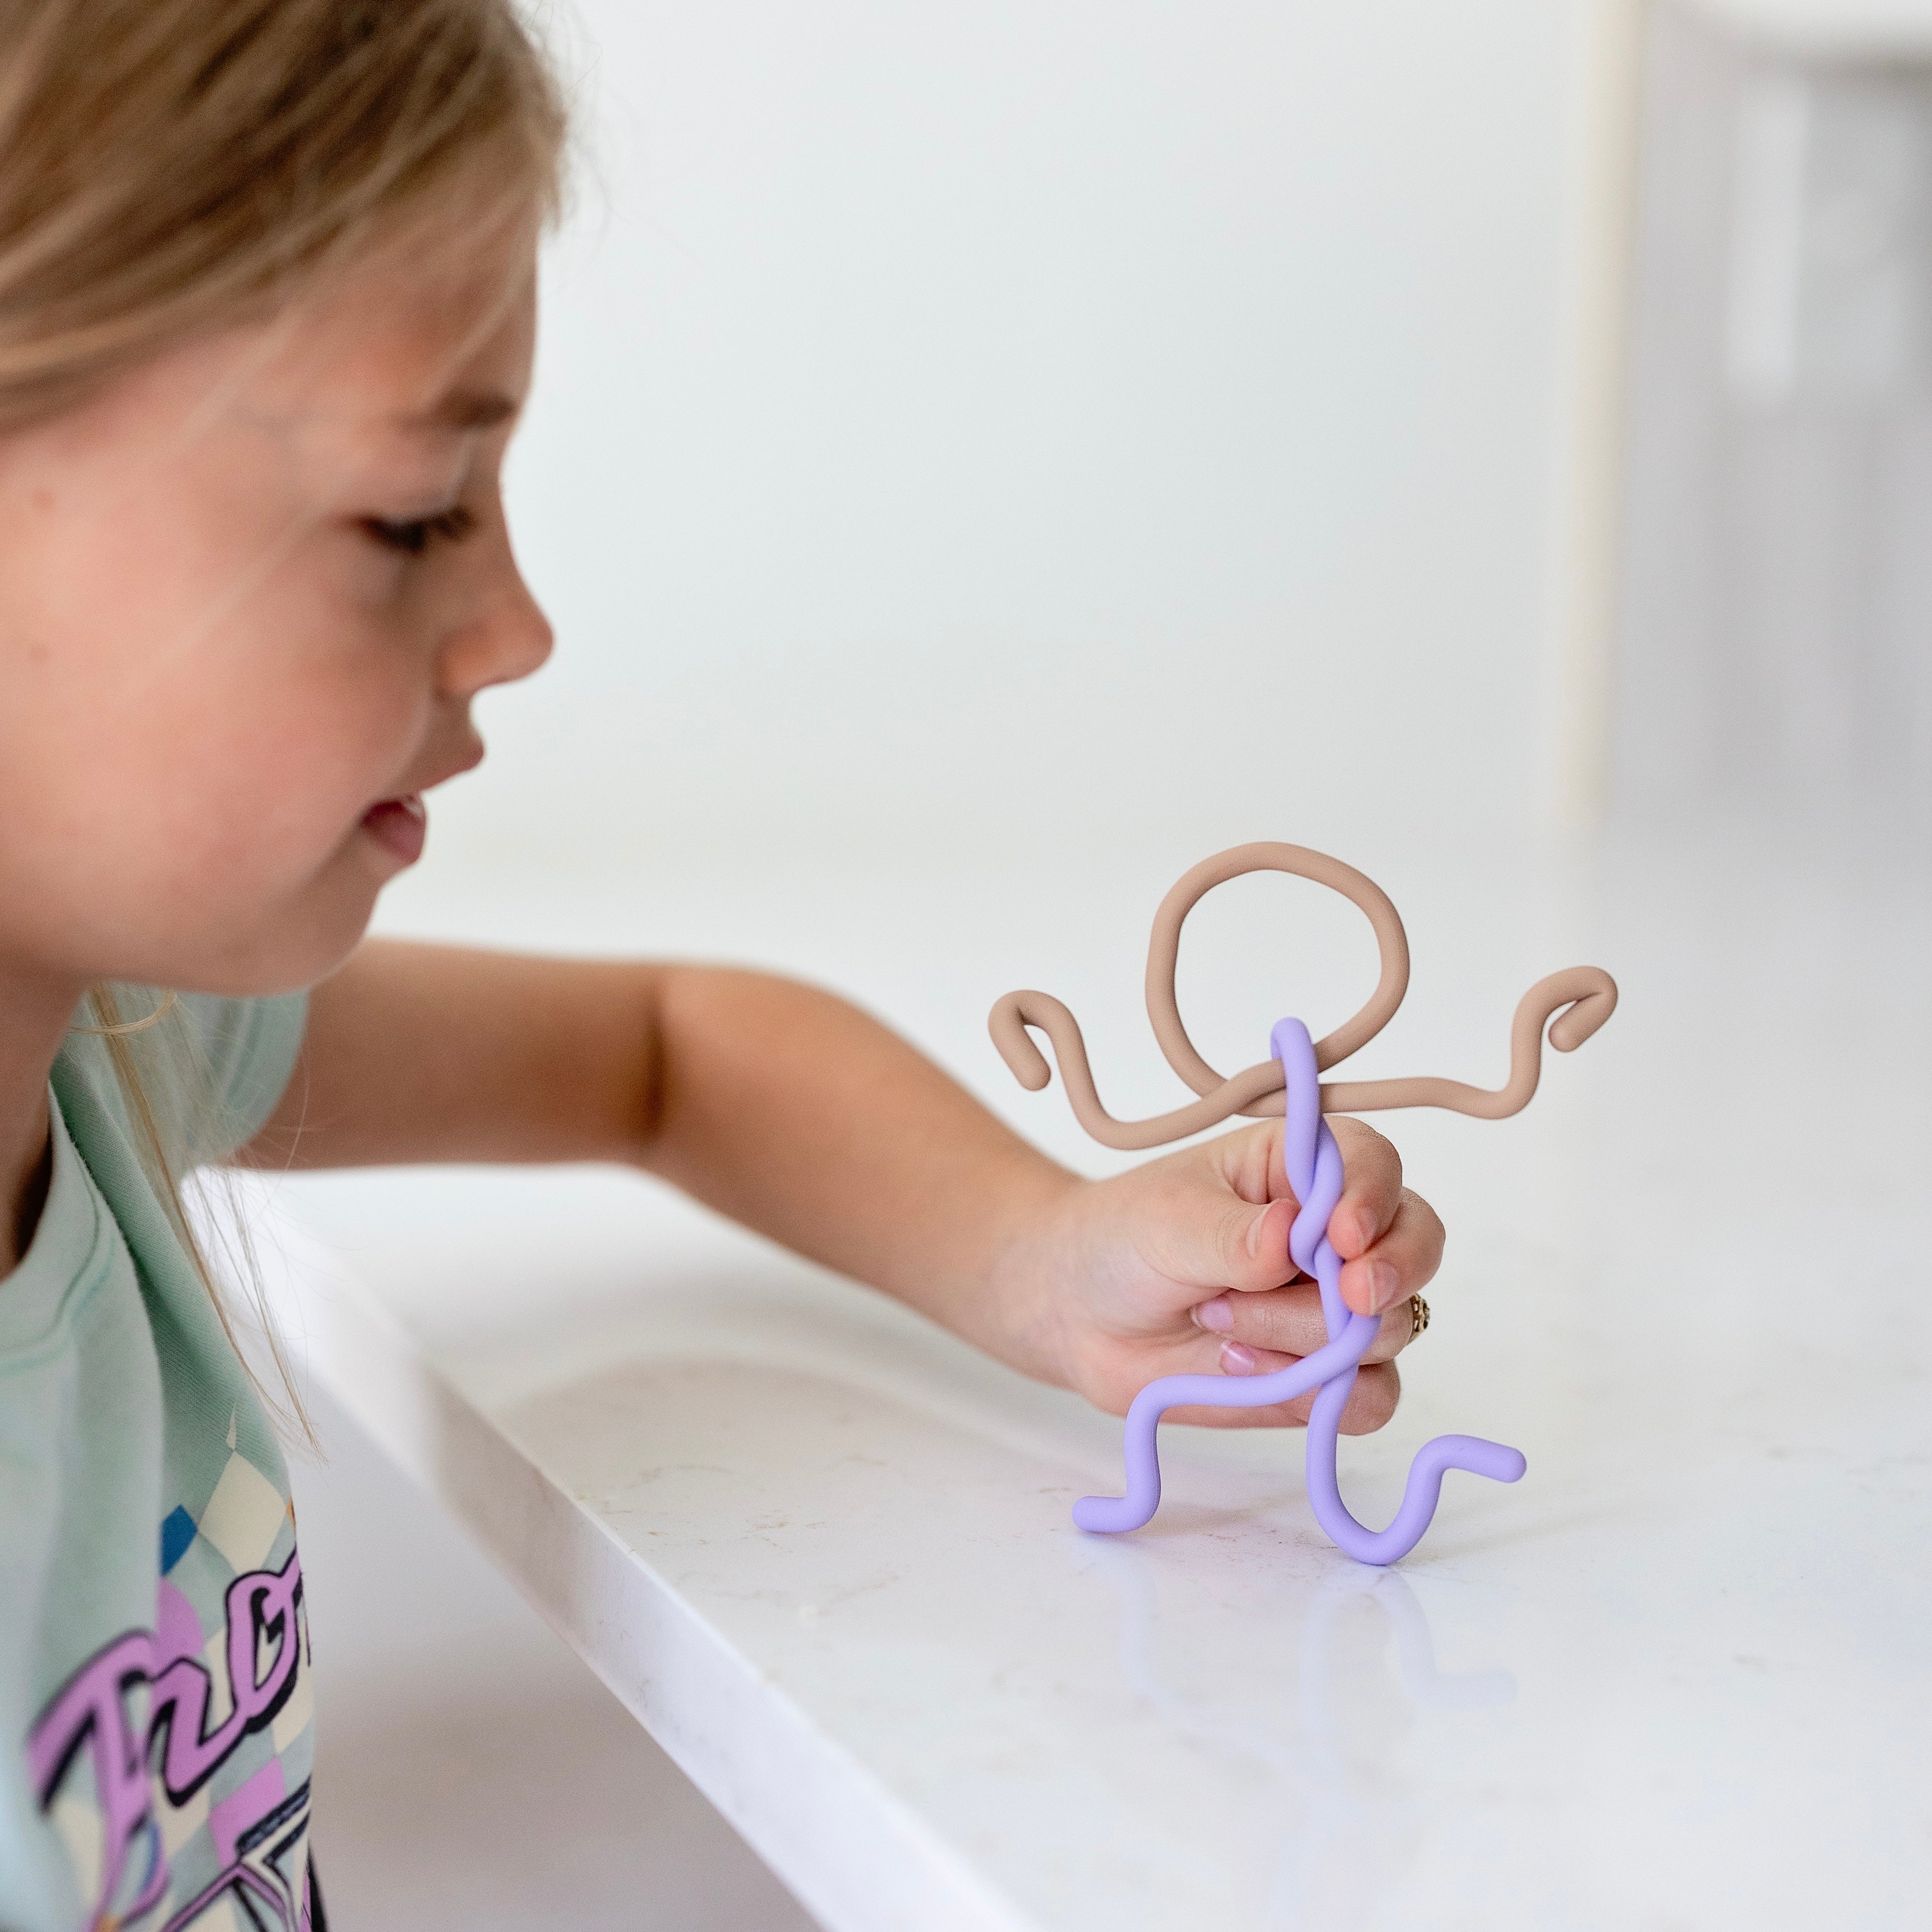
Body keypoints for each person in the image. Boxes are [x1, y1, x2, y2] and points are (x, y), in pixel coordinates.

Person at [0, 3, 1444, 1926]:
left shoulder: (122, 1043)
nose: (516, 625)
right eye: (414, 512)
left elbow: (667, 1055)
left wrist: (1052, 1262)